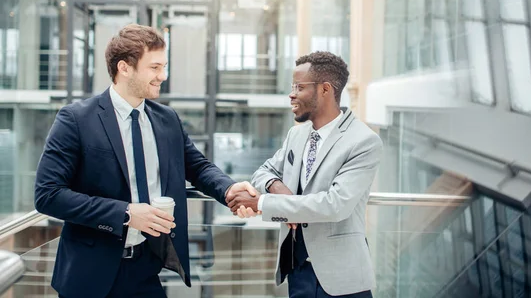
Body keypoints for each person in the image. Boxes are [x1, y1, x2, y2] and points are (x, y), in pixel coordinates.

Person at [35, 24, 256, 298]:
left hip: (146, 268)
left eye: (163, 66)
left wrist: (228, 189)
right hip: (88, 276)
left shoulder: (167, 119)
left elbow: (197, 167)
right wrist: (126, 213)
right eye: (154, 67)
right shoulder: (76, 119)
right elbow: (48, 194)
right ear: (124, 68)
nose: (162, 76)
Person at [227, 51, 383, 297]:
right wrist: (278, 188)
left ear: (325, 89)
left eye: (299, 87)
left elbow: (335, 205)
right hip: (297, 272)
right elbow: (263, 171)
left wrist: (263, 202)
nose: (291, 94)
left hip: (341, 278)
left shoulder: (363, 141)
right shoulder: (297, 134)